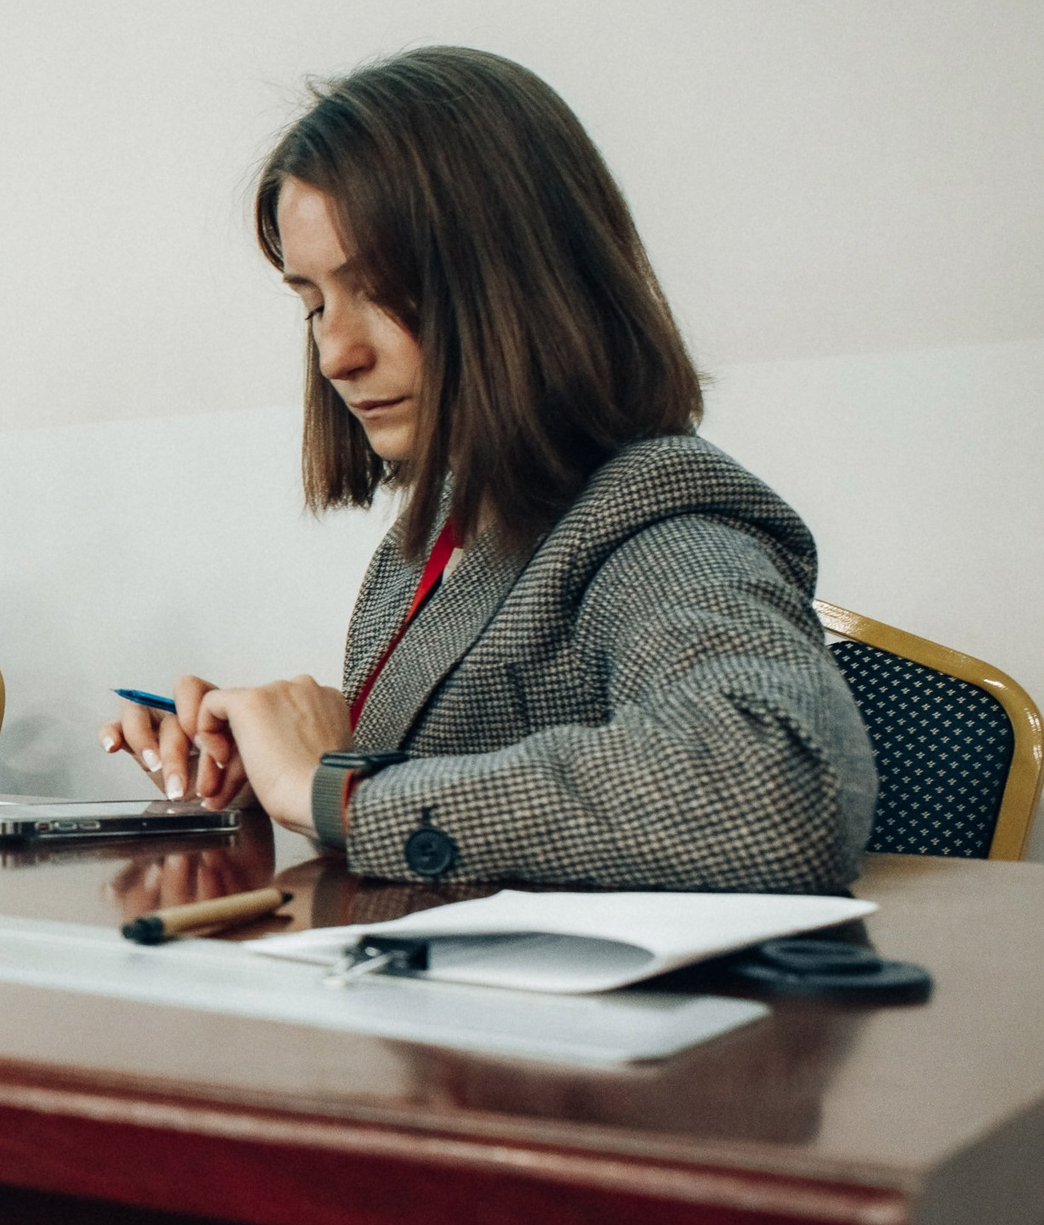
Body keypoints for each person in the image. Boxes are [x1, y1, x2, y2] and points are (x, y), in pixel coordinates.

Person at [104, 48, 875, 890]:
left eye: (384, 290)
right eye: (314, 304)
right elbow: (436, 782)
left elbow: (777, 784)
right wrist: (278, 766)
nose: (336, 353)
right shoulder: (434, 536)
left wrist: (341, 794)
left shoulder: (657, 514)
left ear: (521, 280)